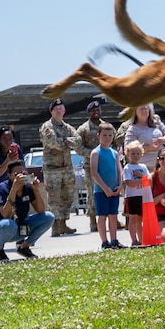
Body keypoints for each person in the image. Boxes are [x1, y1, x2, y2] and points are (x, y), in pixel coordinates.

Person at [0, 159, 51, 259]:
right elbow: (6, 215)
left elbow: (40, 210)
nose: (21, 176)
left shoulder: (28, 187)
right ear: (9, 175)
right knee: (9, 223)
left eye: (23, 173)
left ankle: (24, 247)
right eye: (17, 174)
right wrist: (14, 189)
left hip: (19, 229)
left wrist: (36, 190)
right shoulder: (3, 187)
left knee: (48, 217)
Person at [37, 97, 82, 237]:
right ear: (51, 111)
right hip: (53, 168)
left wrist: (65, 140)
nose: (58, 111)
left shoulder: (67, 127)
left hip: (67, 168)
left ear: (64, 110)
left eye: (61, 108)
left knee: (67, 196)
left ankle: (63, 223)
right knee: (54, 198)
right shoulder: (47, 127)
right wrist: (67, 142)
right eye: (56, 109)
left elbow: (78, 140)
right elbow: (53, 142)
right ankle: (55, 225)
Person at [75, 100, 111, 232]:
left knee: (109, 190)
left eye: (98, 110)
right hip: (91, 167)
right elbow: (78, 147)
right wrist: (93, 153)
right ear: (89, 112)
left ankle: (113, 219)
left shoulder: (106, 126)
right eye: (93, 110)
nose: (96, 112)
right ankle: (93, 222)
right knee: (92, 193)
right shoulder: (83, 129)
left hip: (107, 166)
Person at [87, 122, 123, 247]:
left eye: (110, 135)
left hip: (114, 189)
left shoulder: (114, 153)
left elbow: (119, 171)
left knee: (113, 215)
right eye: (104, 135)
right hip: (101, 191)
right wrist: (105, 188)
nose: (107, 138)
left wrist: (120, 185)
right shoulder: (96, 152)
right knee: (102, 216)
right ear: (98, 136)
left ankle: (114, 240)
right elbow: (94, 172)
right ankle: (104, 241)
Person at [120, 140, 153, 245]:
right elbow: (129, 183)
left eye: (138, 153)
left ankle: (142, 239)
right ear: (128, 154)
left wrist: (142, 177)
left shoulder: (143, 167)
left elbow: (150, 180)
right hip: (132, 196)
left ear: (142, 154)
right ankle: (134, 240)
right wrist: (143, 180)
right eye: (133, 153)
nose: (135, 155)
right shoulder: (127, 168)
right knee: (133, 218)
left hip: (142, 196)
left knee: (140, 219)